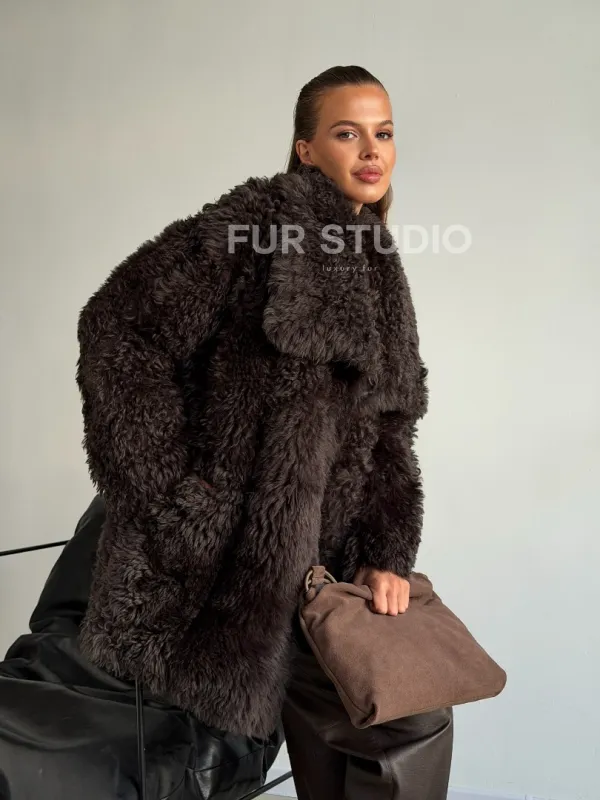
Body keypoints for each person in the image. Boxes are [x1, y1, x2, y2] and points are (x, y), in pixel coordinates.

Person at [75, 65, 453, 799]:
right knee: (378, 731)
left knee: (395, 720)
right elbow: (117, 326)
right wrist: (175, 495)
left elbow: (390, 429)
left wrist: (385, 556)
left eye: (383, 133)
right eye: (347, 133)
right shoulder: (254, 227)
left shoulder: (375, 258)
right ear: (307, 149)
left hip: (326, 574)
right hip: (225, 565)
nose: (370, 151)